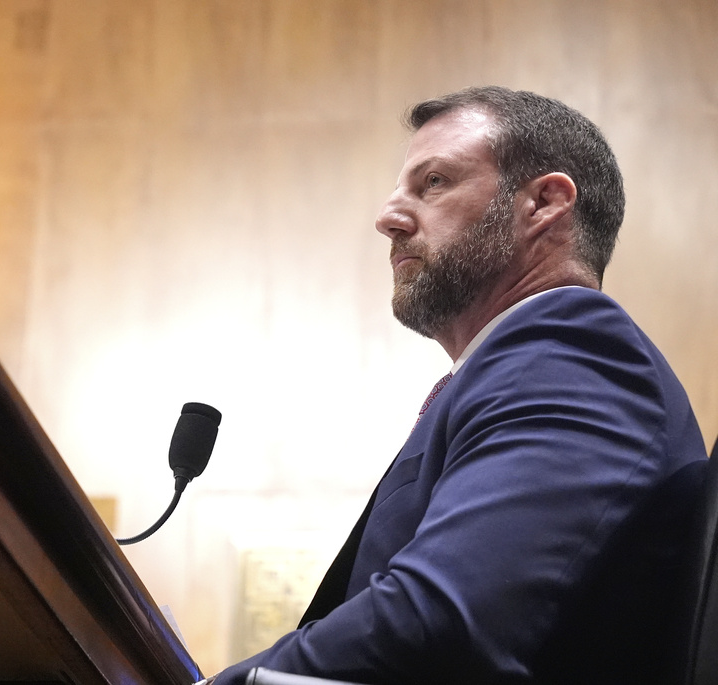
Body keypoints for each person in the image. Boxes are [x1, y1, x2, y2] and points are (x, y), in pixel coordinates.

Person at [209, 86, 709, 685]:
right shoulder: (524, 365)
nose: (388, 218)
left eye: (434, 183)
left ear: (544, 202)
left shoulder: (573, 354)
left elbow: (441, 618)